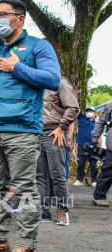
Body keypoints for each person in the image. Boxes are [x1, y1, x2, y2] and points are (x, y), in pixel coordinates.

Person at [0, 0, 61, 252]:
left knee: (23, 190)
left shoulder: (38, 47)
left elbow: (53, 80)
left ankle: (26, 248)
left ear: (20, 18)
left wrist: (16, 67)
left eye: (2, 14)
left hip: (22, 131)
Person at [36, 77, 79, 225]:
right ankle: (43, 211)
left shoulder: (59, 82)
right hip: (35, 133)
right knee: (40, 175)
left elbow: (73, 108)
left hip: (53, 132)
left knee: (58, 174)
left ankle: (62, 211)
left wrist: (62, 128)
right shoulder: (34, 80)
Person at [91, 103, 112, 207]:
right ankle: (99, 196)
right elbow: (101, 122)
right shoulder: (110, 106)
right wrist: (95, 137)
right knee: (108, 170)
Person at [74, 107, 99, 186]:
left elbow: (99, 136)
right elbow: (76, 108)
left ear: (94, 112)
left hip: (93, 146)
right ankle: (79, 180)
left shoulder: (97, 123)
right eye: (87, 111)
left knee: (93, 164)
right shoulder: (81, 118)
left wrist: (100, 147)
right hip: (82, 145)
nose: (89, 112)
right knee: (81, 163)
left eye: (91, 111)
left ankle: (94, 180)